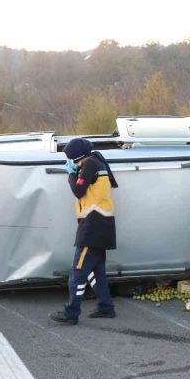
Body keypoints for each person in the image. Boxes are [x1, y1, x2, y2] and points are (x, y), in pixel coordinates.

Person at [50, 138, 118, 325]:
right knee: (97, 272)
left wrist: (71, 175)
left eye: (69, 158)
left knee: (77, 271)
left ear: (75, 156)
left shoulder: (89, 165)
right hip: (101, 225)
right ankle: (106, 308)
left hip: (93, 227)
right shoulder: (96, 162)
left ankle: (71, 312)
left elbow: (79, 190)